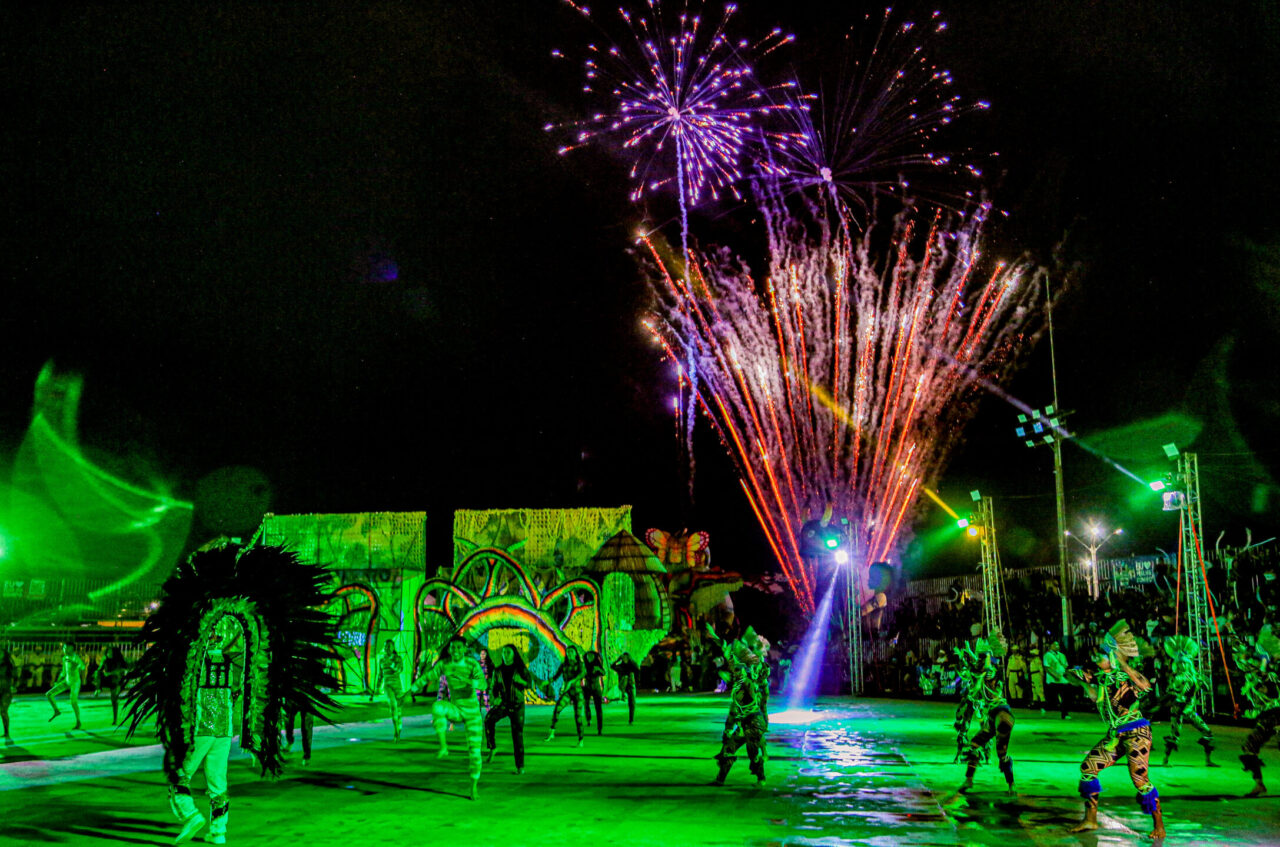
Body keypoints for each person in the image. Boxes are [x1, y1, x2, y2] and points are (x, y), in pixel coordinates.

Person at [1066, 621, 1164, 839]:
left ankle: (1159, 824)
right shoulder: (1099, 678)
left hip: (1136, 732)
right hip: (1115, 734)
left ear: (1111, 657)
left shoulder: (1125, 676)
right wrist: (1087, 686)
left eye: (1101, 655)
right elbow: (1070, 673)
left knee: (1139, 778)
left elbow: (1146, 686)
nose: (1096, 658)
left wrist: (1122, 662)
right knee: (1088, 768)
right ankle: (1090, 820)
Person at [415, 637, 487, 800]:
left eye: (459, 647)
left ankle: (473, 786)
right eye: (453, 647)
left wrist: (469, 681)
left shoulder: (472, 664)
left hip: (473, 714)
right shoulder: (445, 665)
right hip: (457, 710)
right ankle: (444, 747)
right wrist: (410, 690)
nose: (456, 650)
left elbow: (483, 684)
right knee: (437, 706)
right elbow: (429, 678)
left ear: (465, 649)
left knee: (475, 752)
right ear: (449, 649)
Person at [705, 624, 771, 785]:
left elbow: (748, 706)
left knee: (752, 751)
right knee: (729, 749)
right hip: (744, 722)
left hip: (753, 723)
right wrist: (713, 636)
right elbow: (727, 650)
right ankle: (720, 779)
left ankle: (761, 778)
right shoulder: (739, 682)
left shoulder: (748, 682)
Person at [956, 639, 1015, 795]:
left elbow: (985, 667)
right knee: (974, 744)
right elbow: (974, 668)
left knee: (1001, 753)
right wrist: (969, 653)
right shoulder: (981, 676)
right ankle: (969, 780)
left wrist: (987, 653)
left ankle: (1011, 785)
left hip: (1001, 713)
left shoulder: (990, 672)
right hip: (994, 715)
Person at [1235, 624, 1280, 796]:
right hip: (1268, 717)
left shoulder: (1267, 675)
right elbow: (1241, 654)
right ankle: (1259, 783)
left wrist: (1263, 664)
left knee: (1250, 745)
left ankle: (1259, 784)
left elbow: (1271, 692)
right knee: (1249, 746)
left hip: (1275, 716)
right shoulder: (1252, 678)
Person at [1159, 635, 1216, 767]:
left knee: (1206, 732)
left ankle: (1208, 760)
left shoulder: (1194, 677)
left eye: (1186, 663)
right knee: (1174, 736)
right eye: (1182, 664)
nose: (1184, 665)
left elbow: (1205, 687)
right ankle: (1165, 760)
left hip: (1189, 710)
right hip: (1179, 710)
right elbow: (1171, 692)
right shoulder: (1178, 679)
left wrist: (1199, 681)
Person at [484, 644, 533, 774]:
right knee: (488, 719)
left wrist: (520, 681)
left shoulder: (520, 669)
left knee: (517, 735)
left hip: (517, 705)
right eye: (504, 652)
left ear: (514, 654)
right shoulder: (498, 670)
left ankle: (520, 766)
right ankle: (492, 747)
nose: (505, 655)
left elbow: (529, 684)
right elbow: (493, 688)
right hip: (504, 703)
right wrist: (495, 698)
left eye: (508, 652)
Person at [545, 644, 586, 746]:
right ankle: (552, 732)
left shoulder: (580, 664)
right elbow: (556, 676)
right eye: (568, 652)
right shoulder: (564, 665)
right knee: (557, 709)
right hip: (567, 692)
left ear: (575, 653)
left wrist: (571, 682)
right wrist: (547, 682)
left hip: (577, 692)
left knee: (578, 716)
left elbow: (581, 675)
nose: (569, 653)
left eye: (571, 652)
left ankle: (581, 739)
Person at [46, 642, 87, 729]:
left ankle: (78, 721)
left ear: (71, 648)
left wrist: (76, 665)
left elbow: (83, 667)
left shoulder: (76, 657)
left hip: (75, 682)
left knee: (73, 701)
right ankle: (56, 711)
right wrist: (58, 680)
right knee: (49, 694)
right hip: (67, 681)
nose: (64, 649)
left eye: (66, 648)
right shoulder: (64, 658)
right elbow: (63, 672)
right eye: (64, 648)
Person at [376, 641, 407, 741]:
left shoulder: (398, 658)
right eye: (385, 646)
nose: (387, 648)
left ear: (393, 647)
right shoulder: (382, 660)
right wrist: (377, 687)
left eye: (389, 646)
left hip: (397, 687)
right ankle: (396, 730)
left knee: (399, 710)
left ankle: (399, 725)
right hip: (387, 686)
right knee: (393, 706)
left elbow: (400, 670)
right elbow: (380, 674)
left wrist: (391, 663)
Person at [96, 646, 132, 725]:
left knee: (114, 699)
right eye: (108, 652)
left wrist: (110, 673)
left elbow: (123, 670)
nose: (109, 654)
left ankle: (115, 719)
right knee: (97, 673)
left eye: (111, 652)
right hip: (108, 679)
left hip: (117, 680)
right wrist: (101, 667)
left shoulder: (119, 660)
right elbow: (99, 669)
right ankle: (98, 689)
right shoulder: (105, 660)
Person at [611, 652, 641, 724]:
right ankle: (623, 696)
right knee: (629, 700)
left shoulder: (631, 666)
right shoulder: (620, 667)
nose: (625, 659)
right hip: (623, 686)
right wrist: (618, 660)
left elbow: (637, 669)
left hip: (630, 685)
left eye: (626, 657)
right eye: (623, 657)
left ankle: (631, 719)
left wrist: (631, 660)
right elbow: (612, 666)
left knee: (632, 702)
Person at [1044, 641, 1070, 719]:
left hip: (1062, 679)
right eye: (1055, 645)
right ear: (1050, 646)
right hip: (1053, 680)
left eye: (1058, 645)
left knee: (1065, 696)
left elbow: (1065, 666)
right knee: (1052, 698)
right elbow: (1047, 667)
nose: (1057, 646)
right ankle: (1045, 707)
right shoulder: (1047, 655)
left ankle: (1065, 713)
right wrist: (1055, 675)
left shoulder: (1062, 655)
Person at [582, 650, 606, 735]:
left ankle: (600, 728)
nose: (590, 658)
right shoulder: (584, 665)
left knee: (598, 708)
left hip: (596, 687)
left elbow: (603, 673)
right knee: (586, 704)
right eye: (588, 656)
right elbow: (580, 675)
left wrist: (598, 669)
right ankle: (588, 719)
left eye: (591, 656)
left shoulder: (597, 664)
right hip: (587, 687)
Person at [0, 645, 17, 742]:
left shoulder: (9, 664)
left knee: (3, 710)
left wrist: (14, 686)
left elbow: (15, 676)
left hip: (6, 691)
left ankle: (6, 732)